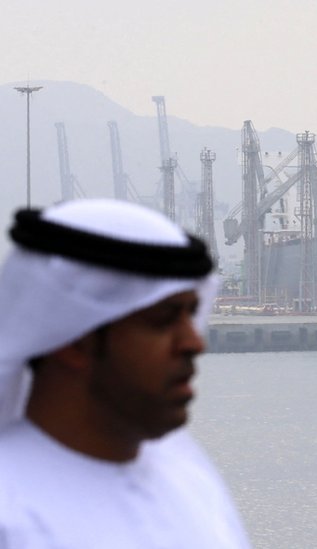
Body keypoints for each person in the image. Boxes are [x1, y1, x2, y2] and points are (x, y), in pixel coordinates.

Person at [0, 199, 250, 548]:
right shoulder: (9, 514)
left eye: (191, 315)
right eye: (162, 320)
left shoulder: (189, 481)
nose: (194, 343)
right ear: (72, 340)